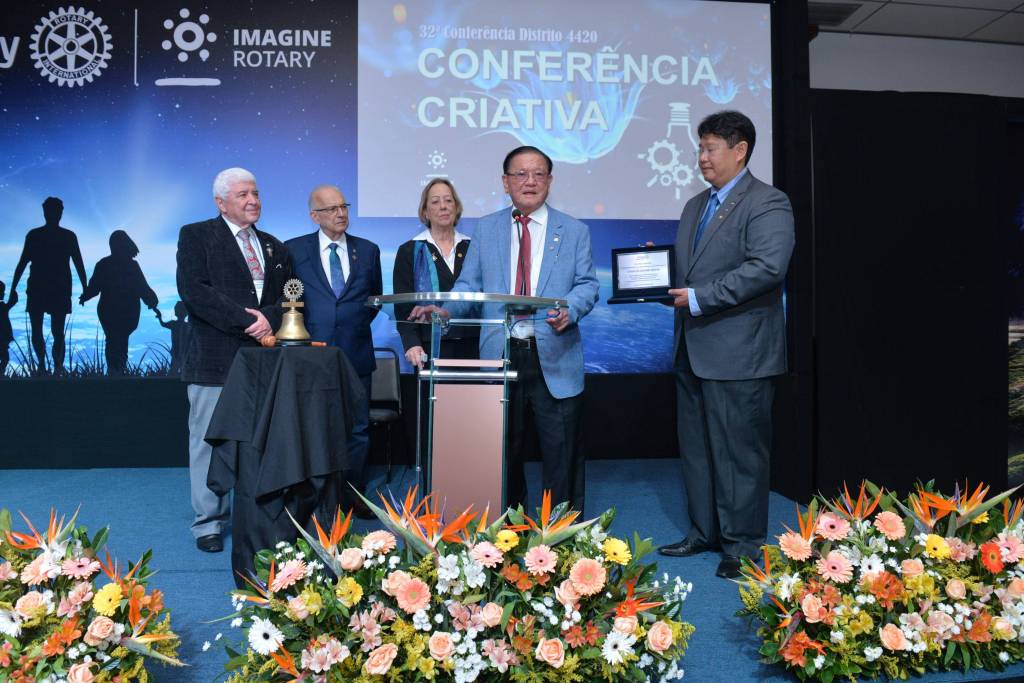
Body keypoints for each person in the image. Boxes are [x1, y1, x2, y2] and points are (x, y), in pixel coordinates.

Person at [411, 146, 599, 513]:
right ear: (505, 182)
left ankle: (561, 534)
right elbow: (470, 285)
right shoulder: (487, 228)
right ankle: (508, 532)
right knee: (503, 453)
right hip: (501, 354)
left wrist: (570, 309)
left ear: (550, 180)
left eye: (538, 174)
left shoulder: (575, 230)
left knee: (561, 453)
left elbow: (587, 285)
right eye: (520, 174)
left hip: (555, 355)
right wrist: (444, 309)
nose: (530, 181)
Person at [656, 110, 795, 579]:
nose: (702, 157)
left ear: (740, 150)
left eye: (711, 148)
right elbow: (691, 269)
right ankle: (705, 532)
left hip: (741, 354)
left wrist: (699, 297)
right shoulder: (695, 205)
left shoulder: (768, 202)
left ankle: (743, 545)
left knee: (740, 454)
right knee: (696, 449)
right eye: (700, 148)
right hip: (692, 348)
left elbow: (767, 268)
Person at [176, 167, 293, 553]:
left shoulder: (275, 246)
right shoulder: (196, 236)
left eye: (255, 193)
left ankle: (259, 516)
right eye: (243, 194)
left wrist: (269, 318)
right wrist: (248, 321)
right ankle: (208, 523)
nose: (253, 200)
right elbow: (194, 292)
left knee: (262, 441)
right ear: (221, 202)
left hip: (264, 361)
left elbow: (291, 297)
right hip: (215, 360)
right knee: (208, 442)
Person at [285, 184, 382, 518]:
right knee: (312, 428)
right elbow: (288, 301)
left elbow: (374, 300)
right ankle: (314, 497)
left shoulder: (368, 250)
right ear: (314, 216)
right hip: (311, 355)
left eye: (344, 206)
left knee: (357, 429)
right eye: (331, 209)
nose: (341, 214)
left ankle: (352, 496)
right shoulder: (293, 250)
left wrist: (350, 324)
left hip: (356, 352)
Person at [392, 178, 478, 367]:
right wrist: (412, 343)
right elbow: (403, 307)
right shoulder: (410, 250)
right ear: (425, 211)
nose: (443, 206)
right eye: (435, 201)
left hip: (474, 345)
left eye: (448, 200)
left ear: (456, 207)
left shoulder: (473, 247)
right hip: (429, 346)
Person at [8, 197, 87, 374]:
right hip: (46, 288)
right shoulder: (48, 236)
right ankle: (47, 366)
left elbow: (78, 264)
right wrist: (85, 288)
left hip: (51, 289)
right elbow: (22, 263)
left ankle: (50, 366)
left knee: (51, 330)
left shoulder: (45, 235)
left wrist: (85, 288)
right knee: (49, 330)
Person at [79, 230, 159, 375]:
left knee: (113, 340)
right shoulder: (130, 265)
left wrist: (85, 296)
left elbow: (95, 287)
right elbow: (143, 287)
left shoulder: (104, 264)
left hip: (111, 310)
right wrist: (152, 301)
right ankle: (117, 370)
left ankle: (115, 370)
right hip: (125, 310)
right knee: (120, 340)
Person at [155, 302, 192, 376]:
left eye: (177, 310)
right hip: (178, 350)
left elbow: (163, 324)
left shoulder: (176, 324)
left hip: (181, 350)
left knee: (177, 368)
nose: (176, 311)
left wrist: (159, 317)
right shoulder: (185, 325)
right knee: (177, 368)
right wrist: (159, 317)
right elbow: (163, 324)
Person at [0, 281, 16, 377]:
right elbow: (11, 303)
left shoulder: (2, 306)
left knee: (5, 357)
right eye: (2, 291)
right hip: (2, 338)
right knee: (5, 357)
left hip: (3, 338)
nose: (3, 294)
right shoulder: (2, 307)